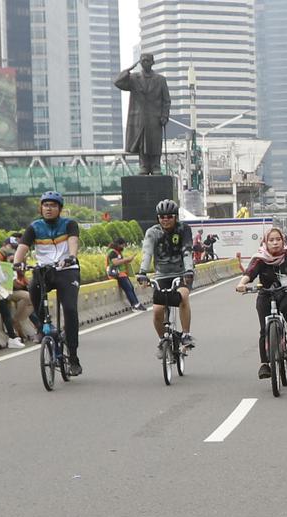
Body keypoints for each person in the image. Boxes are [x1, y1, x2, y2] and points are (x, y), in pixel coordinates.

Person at [12, 191, 84, 374]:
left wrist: (71, 257)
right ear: (41, 208)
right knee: (33, 293)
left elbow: (73, 242)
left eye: (53, 205)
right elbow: (22, 247)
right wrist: (17, 263)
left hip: (66, 271)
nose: (49, 208)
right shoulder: (34, 227)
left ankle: (73, 356)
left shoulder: (69, 224)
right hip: (44, 271)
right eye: (46, 205)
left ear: (60, 209)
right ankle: (45, 326)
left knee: (69, 309)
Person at [235, 227, 287, 378]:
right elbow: (250, 272)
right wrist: (242, 283)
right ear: (265, 242)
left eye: (278, 239)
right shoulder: (260, 257)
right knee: (264, 328)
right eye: (271, 240)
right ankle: (265, 364)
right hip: (266, 293)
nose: (275, 243)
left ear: (283, 241)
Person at [136, 199, 196, 357]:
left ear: (176, 217)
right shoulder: (152, 232)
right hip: (161, 275)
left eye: (169, 216)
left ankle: (186, 334)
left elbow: (187, 251)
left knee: (183, 297)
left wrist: (189, 270)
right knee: (157, 311)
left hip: (182, 273)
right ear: (158, 218)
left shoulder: (184, 229)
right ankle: (163, 339)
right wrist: (142, 272)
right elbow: (147, 252)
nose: (166, 220)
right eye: (162, 217)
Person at [114, 53, 170, 175]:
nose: (145, 63)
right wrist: (128, 70)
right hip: (139, 118)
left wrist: (165, 115)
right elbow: (117, 82)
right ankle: (144, 166)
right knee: (142, 144)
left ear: (152, 62)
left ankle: (156, 165)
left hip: (155, 118)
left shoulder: (160, 80)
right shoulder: (134, 78)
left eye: (147, 61)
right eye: (143, 61)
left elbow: (166, 100)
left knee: (155, 143)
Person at [107, 237, 147, 311]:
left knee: (131, 288)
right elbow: (115, 262)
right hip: (117, 274)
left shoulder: (117, 252)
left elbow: (120, 261)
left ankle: (137, 303)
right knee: (128, 289)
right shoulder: (112, 252)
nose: (123, 247)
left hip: (122, 274)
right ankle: (135, 304)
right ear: (118, 245)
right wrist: (127, 259)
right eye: (123, 245)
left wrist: (128, 260)